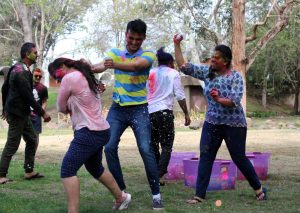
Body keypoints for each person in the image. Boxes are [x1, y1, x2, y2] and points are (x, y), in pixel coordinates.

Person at [173, 35, 267, 203]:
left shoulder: (235, 77)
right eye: (212, 57)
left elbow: (233, 101)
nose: (212, 60)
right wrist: (177, 44)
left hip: (234, 125)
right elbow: (183, 66)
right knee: (206, 156)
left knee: (239, 158)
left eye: (216, 58)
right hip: (212, 124)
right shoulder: (208, 73)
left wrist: (218, 100)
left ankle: (259, 190)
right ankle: (199, 195)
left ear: (225, 61)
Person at [91, 19, 163, 210]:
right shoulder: (114, 53)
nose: (133, 42)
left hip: (139, 108)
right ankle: (121, 193)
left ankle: (156, 194)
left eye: (138, 39)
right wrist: (87, 67)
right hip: (118, 109)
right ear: (126, 34)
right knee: (108, 146)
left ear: (144, 38)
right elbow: (101, 66)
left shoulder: (148, 55)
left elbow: (135, 66)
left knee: (146, 149)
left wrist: (112, 64)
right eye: (131, 38)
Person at [48, 57, 131, 212]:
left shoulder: (70, 78)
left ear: (63, 65)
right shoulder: (86, 74)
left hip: (88, 131)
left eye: (56, 74)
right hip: (101, 130)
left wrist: (68, 105)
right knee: (95, 167)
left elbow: (60, 106)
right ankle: (122, 197)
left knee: (67, 169)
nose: (58, 78)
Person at [0, 42, 51, 184]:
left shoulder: (16, 67)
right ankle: (1, 175)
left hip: (22, 113)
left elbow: (5, 88)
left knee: (32, 139)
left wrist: (4, 107)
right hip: (17, 113)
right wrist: (43, 113)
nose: (37, 55)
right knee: (12, 143)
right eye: (35, 52)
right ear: (27, 54)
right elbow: (28, 97)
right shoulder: (21, 71)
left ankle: (29, 171)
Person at [147, 47, 191, 185]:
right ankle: (159, 175)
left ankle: (156, 173)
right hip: (164, 112)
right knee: (166, 145)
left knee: (153, 144)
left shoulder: (150, 73)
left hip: (149, 112)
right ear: (171, 62)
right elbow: (179, 95)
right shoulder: (173, 73)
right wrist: (186, 114)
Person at [30, 68, 48, 150]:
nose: (38, 77)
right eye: (36, 76)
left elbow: (44, 101)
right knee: (25, 134)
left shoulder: (43, 88)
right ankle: (29, 149)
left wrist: (41, 111)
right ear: (32, 75)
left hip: (36, 115)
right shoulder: (26, 85)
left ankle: (33, 152)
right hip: (25, 114)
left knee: (36, 135)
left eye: (40, 76)